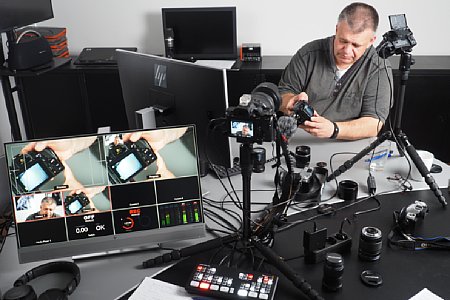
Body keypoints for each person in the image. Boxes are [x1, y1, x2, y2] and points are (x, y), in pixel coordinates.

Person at [279, 2, 393, 140]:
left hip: (351, 144)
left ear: (371, 41)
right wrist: (290, 101)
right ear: (337, 29)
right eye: (342, 41)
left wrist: (334, 129)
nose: (346, 51)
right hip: (301, 139)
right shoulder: (308, 54)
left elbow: (373, 124)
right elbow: (282, 94)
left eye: (356, 45)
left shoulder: (379, 67)